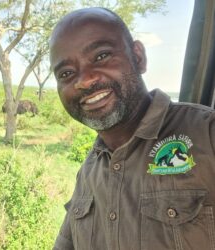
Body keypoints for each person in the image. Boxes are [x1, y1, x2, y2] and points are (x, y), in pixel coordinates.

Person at [49, 7, 215, 250]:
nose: (84, 80)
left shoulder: (207, 135)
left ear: (138, 57)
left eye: (101, 56)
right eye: (66, 73)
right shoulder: (89, 170)